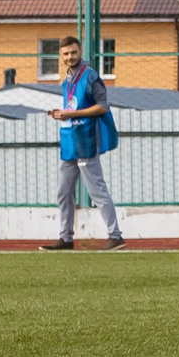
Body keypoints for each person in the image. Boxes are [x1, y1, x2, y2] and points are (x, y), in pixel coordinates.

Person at [40, 37, 123, 251]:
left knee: (97, 190)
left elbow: (102, 106)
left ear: (80, 51)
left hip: (86, 141)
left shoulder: (91, 76)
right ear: (61, 55)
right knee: (63, 191)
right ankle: (66, 238)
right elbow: (72, 107)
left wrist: (71, 114)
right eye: (66, 54)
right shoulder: (66, 81)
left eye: (73, 52)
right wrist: (62, 114)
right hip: (70, 141)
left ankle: (115, 235)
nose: (70, 57)